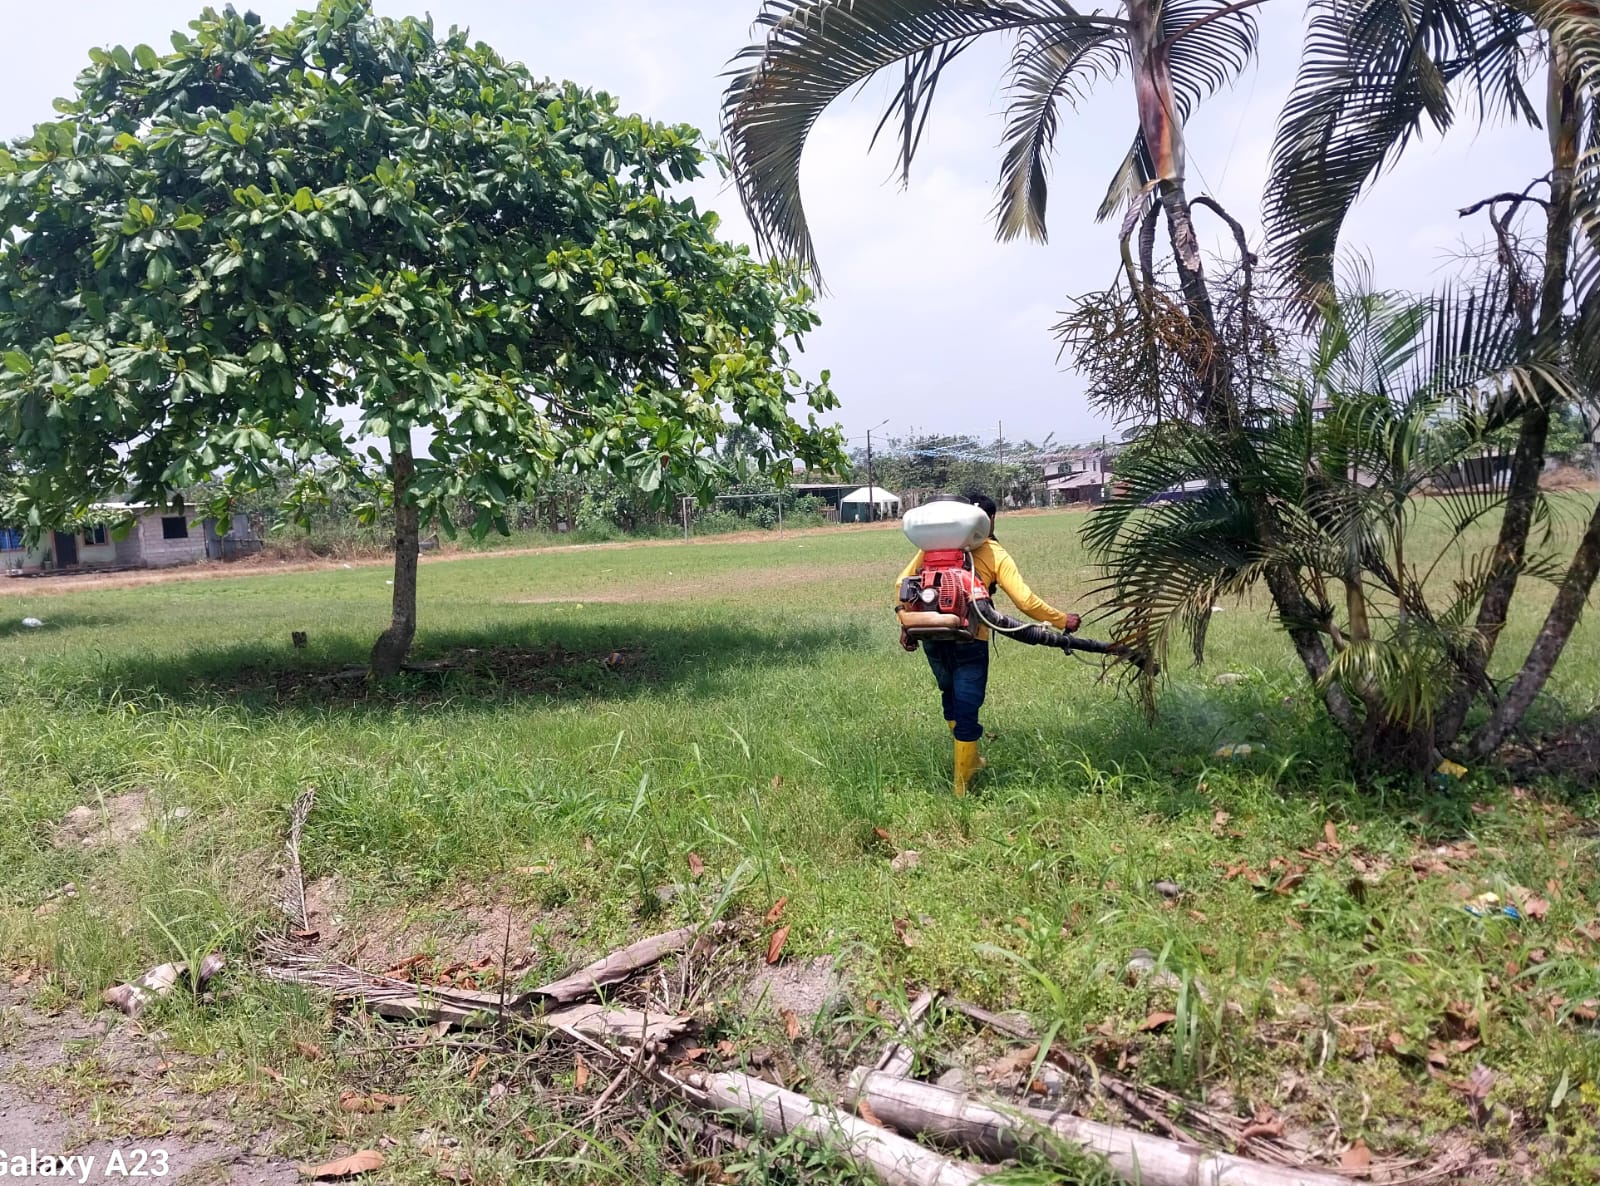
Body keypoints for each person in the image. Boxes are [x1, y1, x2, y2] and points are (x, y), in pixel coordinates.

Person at [895, 492, 1080, 795]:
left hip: (931, 634)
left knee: (949, 693)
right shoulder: (994, 552)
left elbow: (901, 584)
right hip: (971, 638)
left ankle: (969, 759)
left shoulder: (931, 547)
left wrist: (905, 622)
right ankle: (962, 784)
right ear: (988, 519)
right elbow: (1025, 600)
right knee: (968, 706)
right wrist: (1062, 620)